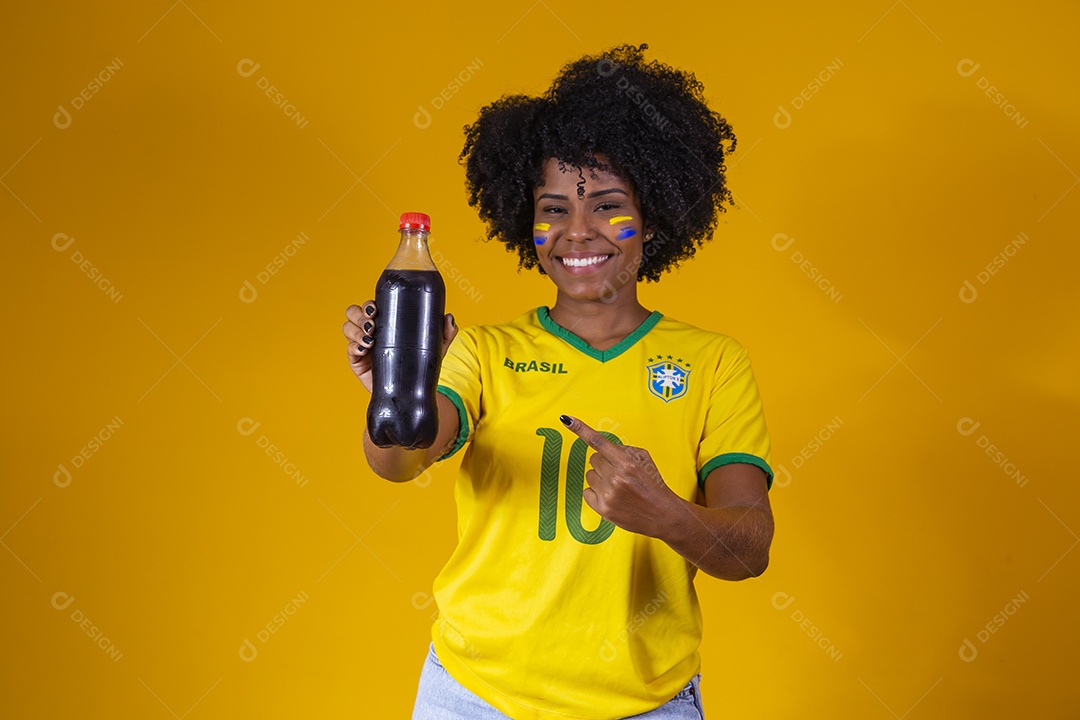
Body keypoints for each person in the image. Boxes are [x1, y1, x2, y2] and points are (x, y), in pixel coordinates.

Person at [343, 43, 774, 720]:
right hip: (475, 698)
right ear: (527, 221)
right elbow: (398, 462)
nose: (578, 232)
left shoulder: (714, 363)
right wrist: (391, 396)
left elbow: (750, 549)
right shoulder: (484, 351)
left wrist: (664, 512)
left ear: (654, 217)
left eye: (608, 206)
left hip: (646, 704)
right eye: (554, 209)